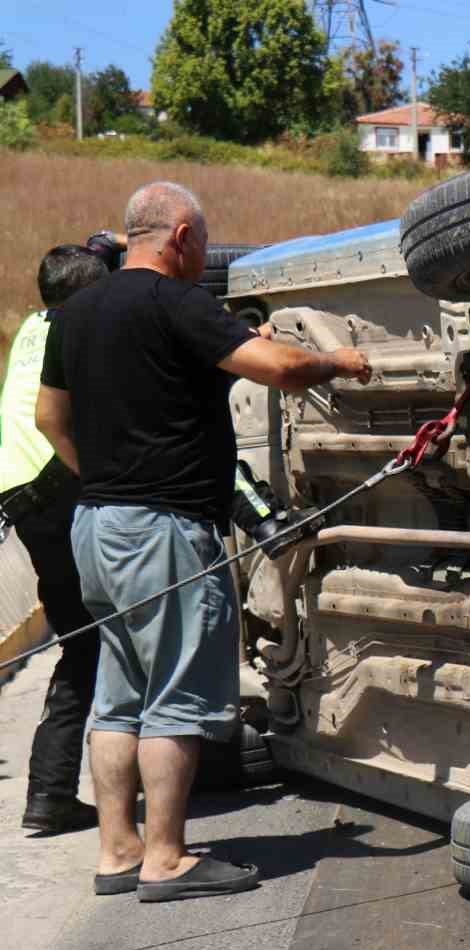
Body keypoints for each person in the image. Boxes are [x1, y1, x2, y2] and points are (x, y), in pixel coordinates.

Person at [35, 181, 372, 901]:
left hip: (95, 526)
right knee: (178, 694)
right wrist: (338, 363)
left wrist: (104, 476)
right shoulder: (178, 302)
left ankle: (119, 851)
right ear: (182, 235)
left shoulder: (74, 312)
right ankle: (166, 858)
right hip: (165, 529)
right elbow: (277, 369)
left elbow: (47, 417)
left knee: (119, 695)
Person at [3, 246, 109, 834]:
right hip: (54, 486)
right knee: (104, 634)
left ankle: (51, 790)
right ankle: (56, 790)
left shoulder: (31, 326)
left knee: (82, 637)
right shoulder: (77, 329)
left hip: (20, 495)